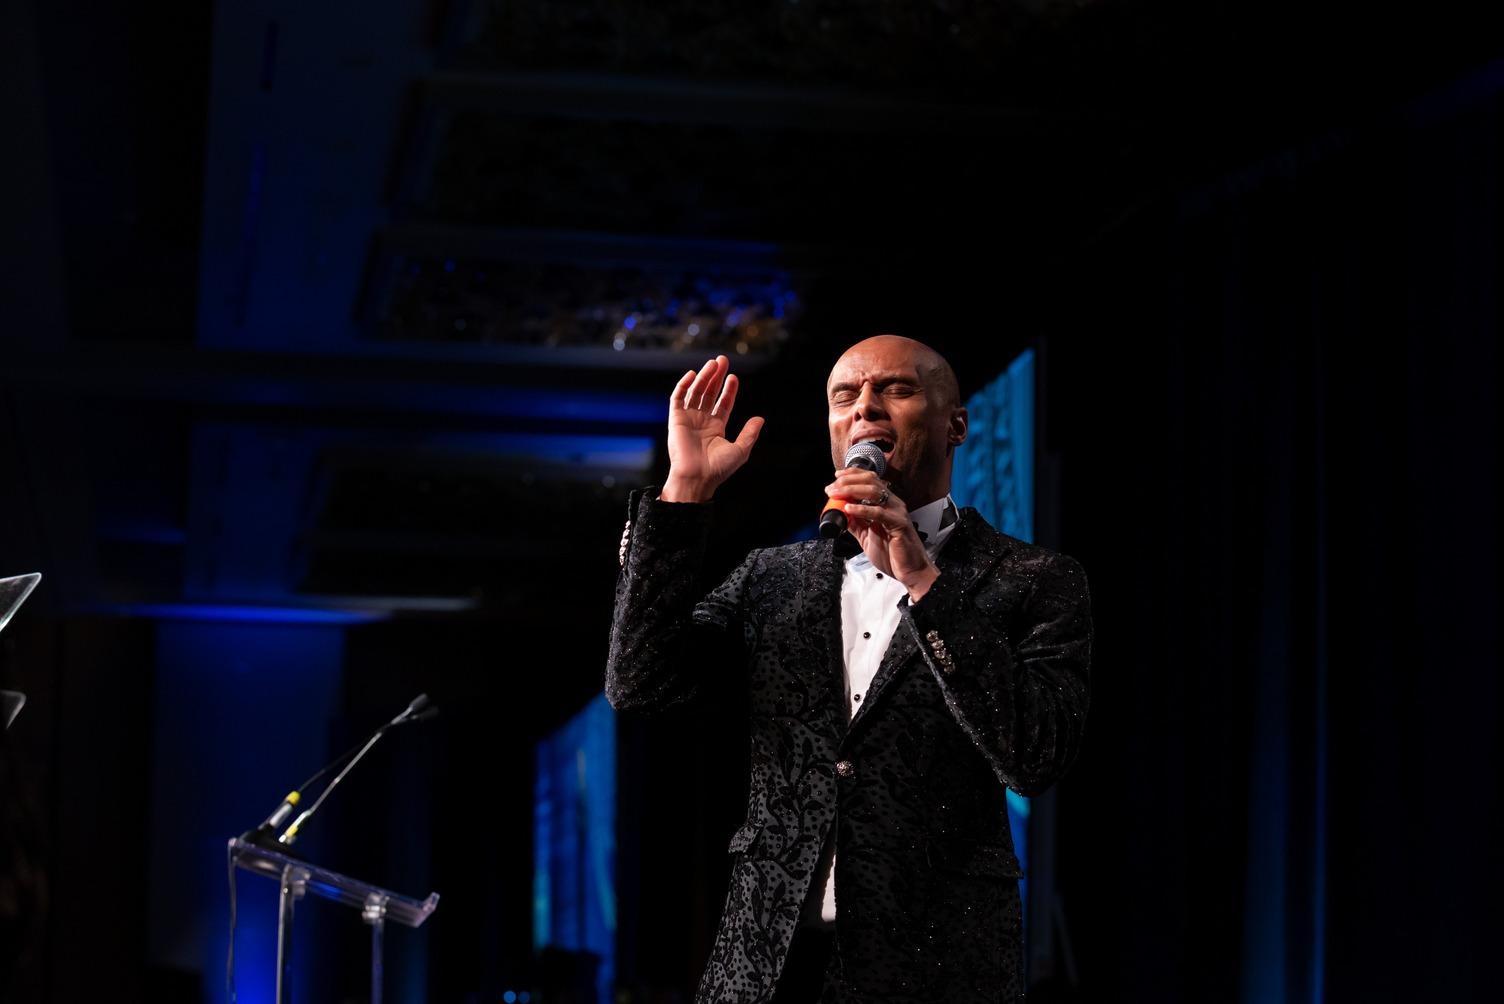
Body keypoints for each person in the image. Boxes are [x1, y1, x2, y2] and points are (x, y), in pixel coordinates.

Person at [607, 336, 1092, 1003]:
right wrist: (684, 490)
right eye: (846, 396)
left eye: (895, 389)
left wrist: (923, 580)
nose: (865, 407)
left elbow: (1035, 754)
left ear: (956, 424)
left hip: (937, 965)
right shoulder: (772, 576)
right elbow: (639, 684)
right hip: (768, 963)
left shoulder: (1034, 580)